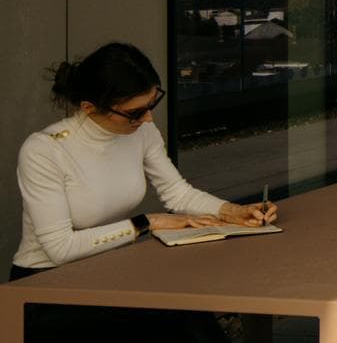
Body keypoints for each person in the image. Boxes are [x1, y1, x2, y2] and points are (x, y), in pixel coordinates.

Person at [13, 42, 278, 343]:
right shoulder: (45, 150)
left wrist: (232, 211)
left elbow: (177, 192)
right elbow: (59, 249)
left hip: (107, 275)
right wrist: (147, 223)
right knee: (177, 312)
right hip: (43, 288)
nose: (147, 119)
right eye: (135, 112)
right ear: (89, 108)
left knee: (186, 302)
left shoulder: (140, 131)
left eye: (152, 104)